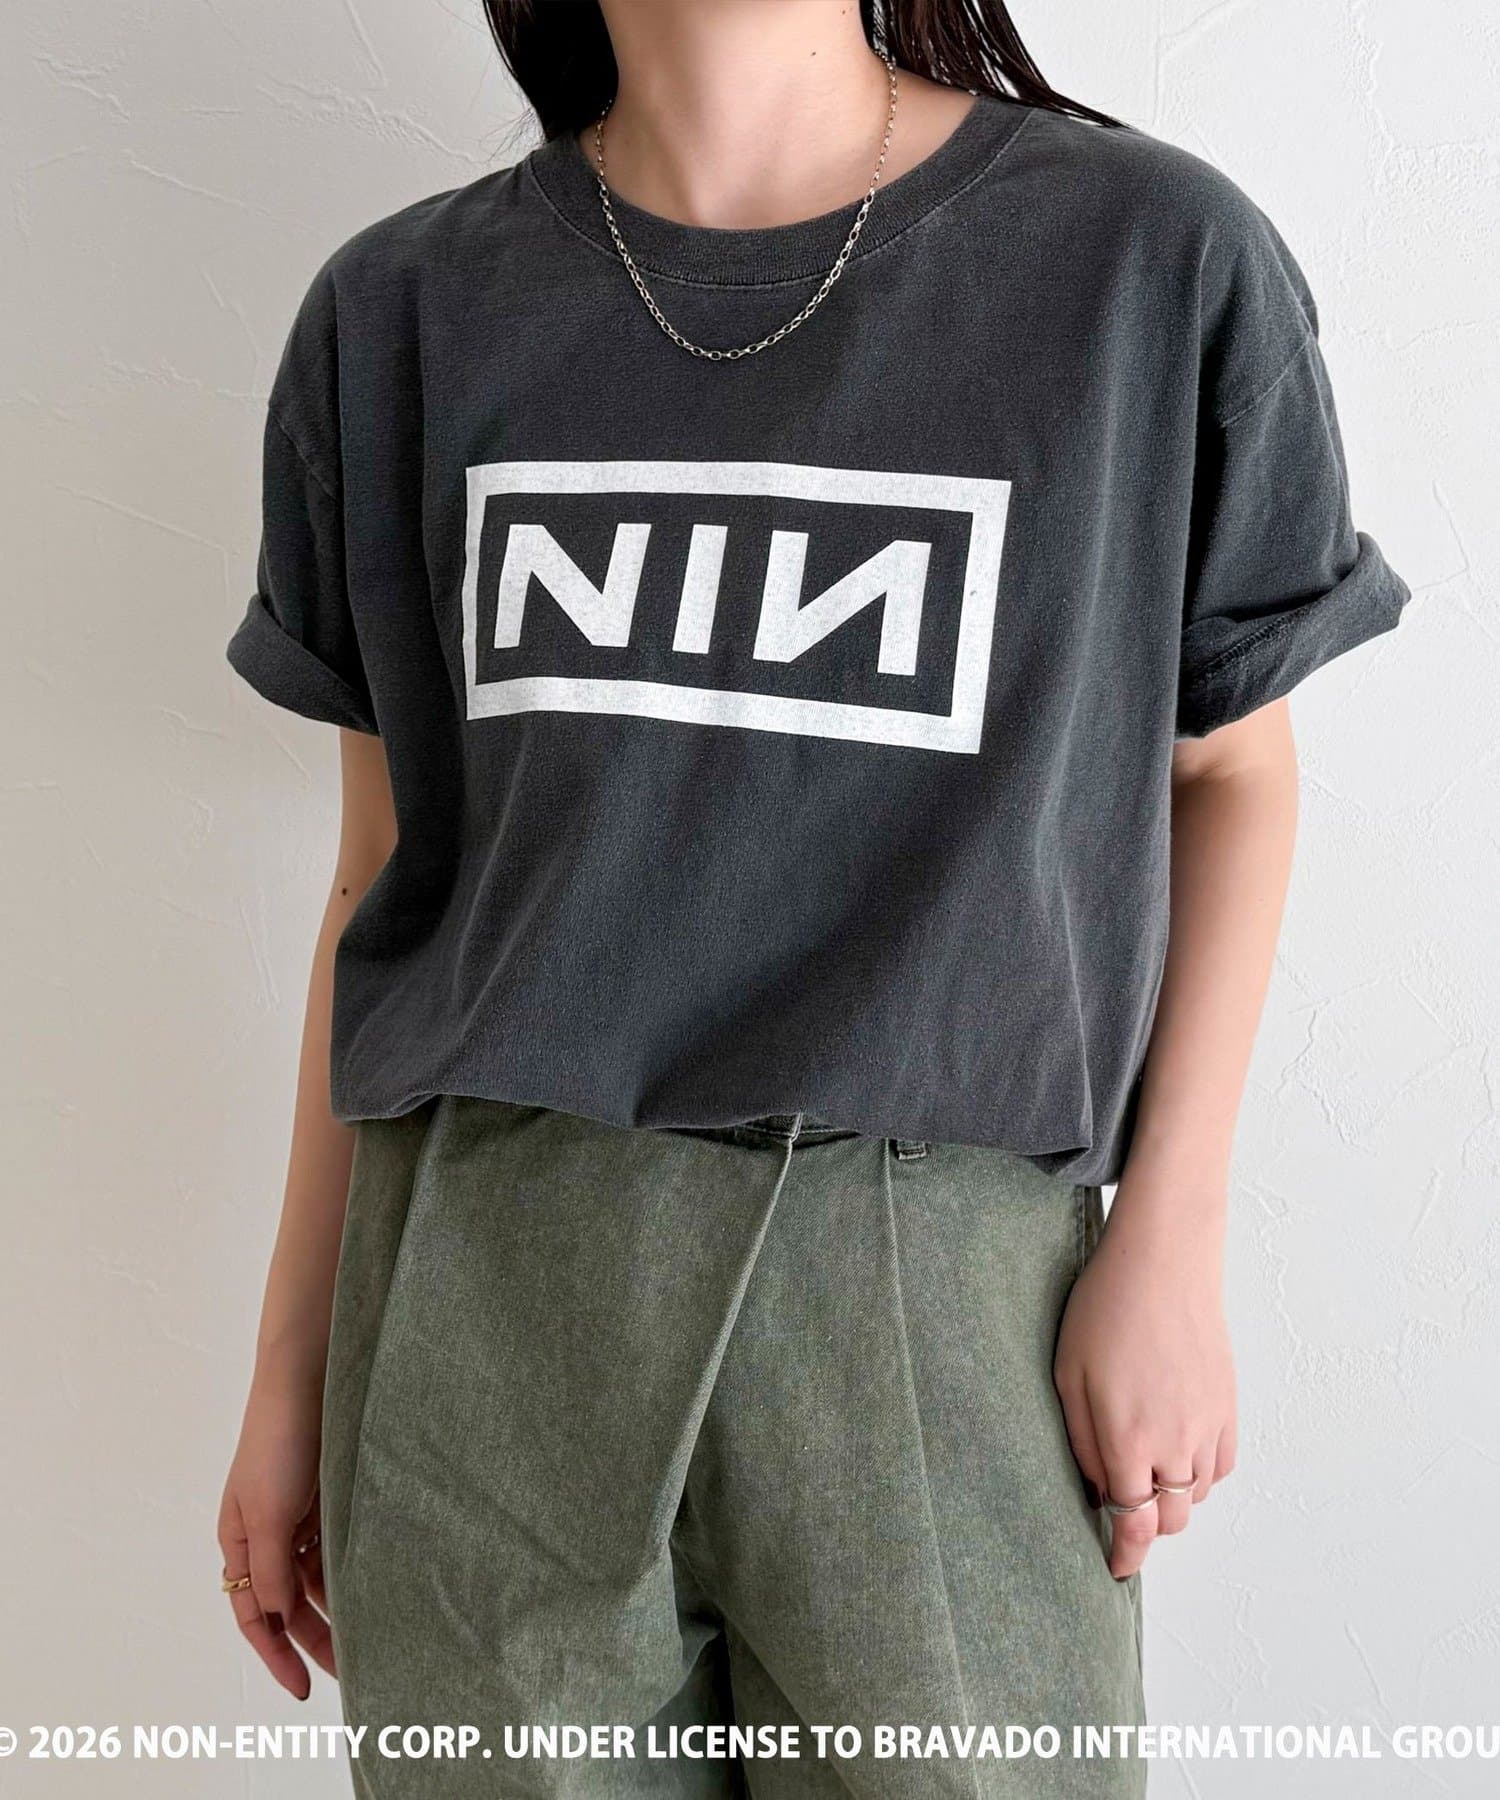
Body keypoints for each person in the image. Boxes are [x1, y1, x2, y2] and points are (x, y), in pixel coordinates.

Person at [218, 1, 1408, 1793]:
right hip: (484, 1293)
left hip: (943, 1293)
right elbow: (381, 874)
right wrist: (290, 1364)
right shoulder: (400, 311)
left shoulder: (1148, 263)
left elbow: (1228, 773)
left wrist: (1170, 1234)